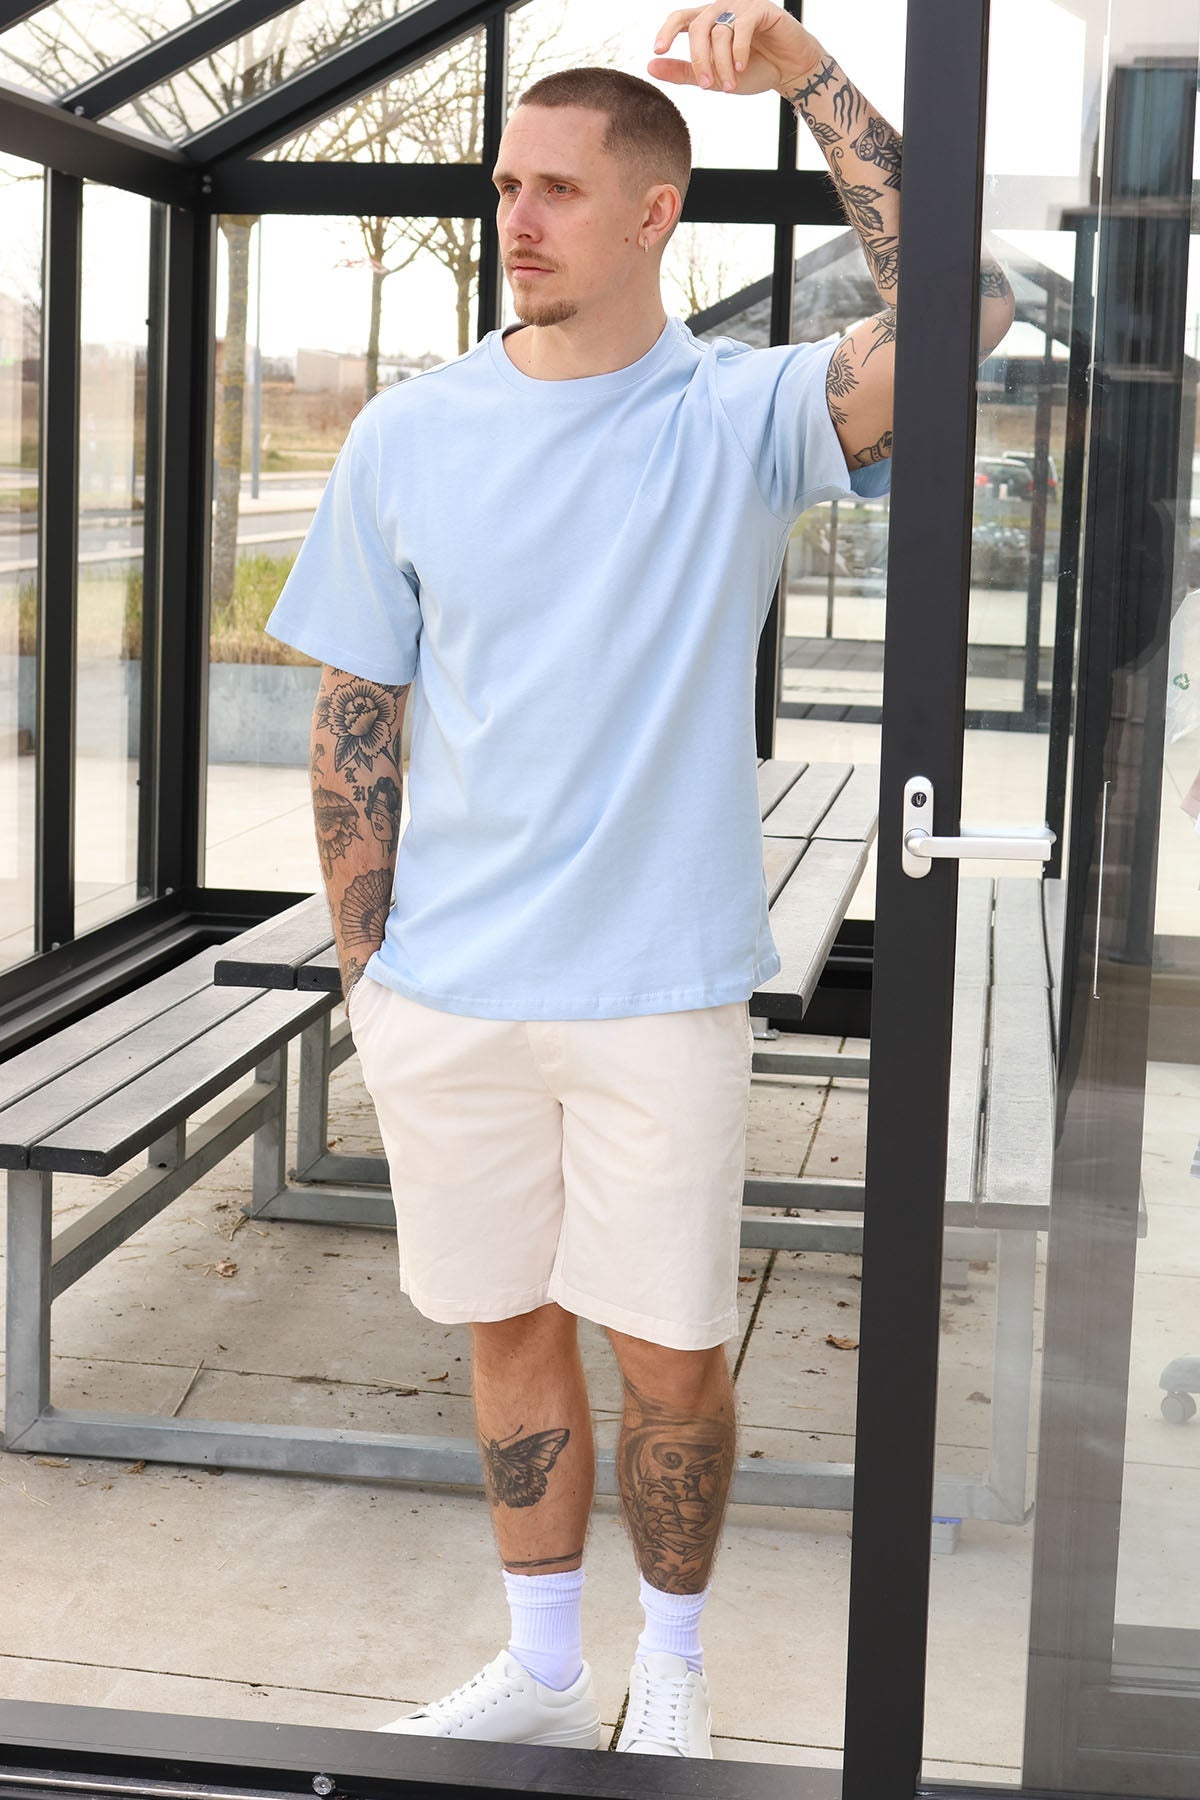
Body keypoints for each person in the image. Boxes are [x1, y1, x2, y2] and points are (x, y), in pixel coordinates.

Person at [266, 0, 1015, 1760]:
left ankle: (669, 1667)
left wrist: (809, 77)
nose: (516, 218)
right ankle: (541, 1665)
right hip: (447, 991)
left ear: (654, 213)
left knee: (672, 1353)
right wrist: (374, 975)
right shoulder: (409, 433)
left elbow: (963, 315)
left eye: (557, 189)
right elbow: (358, 710)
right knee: (504, 1329)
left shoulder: (741, 414)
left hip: (658, 991)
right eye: (505, 185)